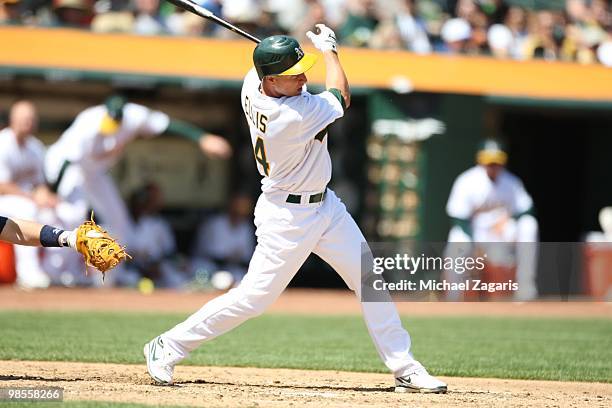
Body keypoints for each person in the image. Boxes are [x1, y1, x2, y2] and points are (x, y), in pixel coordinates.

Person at [144, 24, 447, 393]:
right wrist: (331, 51)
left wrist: (282, 52)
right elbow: (341, 94)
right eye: (291, 75)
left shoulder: (251, 84)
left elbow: (264, 67)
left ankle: (404, 367)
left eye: (300, 70)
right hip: (287, 216)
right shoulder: (292, 115)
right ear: (270, 81)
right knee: (253, 299)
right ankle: (167, 345)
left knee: (370, 280)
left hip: (326, 206)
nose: (302, 78)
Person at [45, 95, 232, 254]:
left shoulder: (135, 116)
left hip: (95, 172)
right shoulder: (89, 122)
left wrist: (201, 138)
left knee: (119, 221)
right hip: (66, 168)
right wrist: (51, 191)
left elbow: (167, 125)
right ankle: (61, 273)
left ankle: (105, 279)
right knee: (72, 216)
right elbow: (67, 160)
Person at [0, 100, 87, 288]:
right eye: (23, 118)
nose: (28, 123)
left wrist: (48, 198)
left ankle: (59, 272)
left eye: (31, 119)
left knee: (65, 212)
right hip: (6, 200)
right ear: (12, 120)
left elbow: (40, 184)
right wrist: (33, 197)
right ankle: (28, 273)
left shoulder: (36, 147)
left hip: (27, 199)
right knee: (26, 209)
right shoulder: (3, 142)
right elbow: (2, 186)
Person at [445, 139, 539, 301]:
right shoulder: (467, 181)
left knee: (529, 225)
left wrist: (509, 219)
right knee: (458, 239)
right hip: (475, 233)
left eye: (496, 162)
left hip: (500, 234)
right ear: (480, 160)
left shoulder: (512, 183)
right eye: (489, 162)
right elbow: (458, 218)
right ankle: (453, 296)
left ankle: (525, 287)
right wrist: (474, 244)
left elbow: (527, 209)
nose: (493, 166)